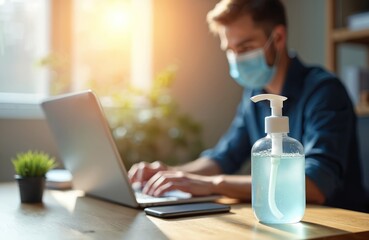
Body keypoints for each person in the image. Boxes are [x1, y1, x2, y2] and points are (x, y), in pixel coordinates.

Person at [128, 0, 368, 212]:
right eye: (230, 51)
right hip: (282, 221)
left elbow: (315, 184)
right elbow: (223, 158)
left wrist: (213, 185)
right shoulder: (255, 96)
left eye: (244, 48)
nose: (237, 59)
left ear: (279, 38)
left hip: (338, 227)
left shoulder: (324, 91)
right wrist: (171, 173)